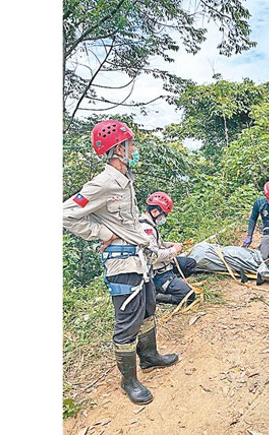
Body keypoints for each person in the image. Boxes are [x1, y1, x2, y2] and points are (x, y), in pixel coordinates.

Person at [63, 120, 178, 406]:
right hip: (121, 264)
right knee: (127, 322)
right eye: (131, 144)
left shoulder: (125, 180)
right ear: (118, 149)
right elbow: (64, 213)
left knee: (148, 309)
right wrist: (103, 233)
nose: (134, 149)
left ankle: (149, 356)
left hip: (139, 259)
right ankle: (129, 380)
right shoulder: (103, 182)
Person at [139, 191, 198, 305]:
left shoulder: (149, 224)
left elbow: (156, 244)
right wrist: (173, 250)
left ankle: (173, 282)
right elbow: (154, 256)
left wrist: (168, 245)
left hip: (165, 265)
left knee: (190, 264)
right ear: (155, 211)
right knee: (188, 296)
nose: (164, 218)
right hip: (157, 272)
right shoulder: (146, 229)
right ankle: (156, 295)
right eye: (164, 215)